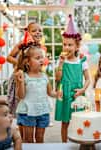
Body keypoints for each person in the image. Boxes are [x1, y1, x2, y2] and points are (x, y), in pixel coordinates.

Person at [15, 44, 62, 143]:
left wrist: (57, 94)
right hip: (28, 112)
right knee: (28, 139)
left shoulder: (44, 76)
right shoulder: (24, 76)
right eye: (37, 58)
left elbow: (50, 92)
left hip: (42, 111)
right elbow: (21, 96)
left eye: (42, 58)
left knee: (40, 138)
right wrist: (20, 82)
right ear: (27, 62)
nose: (41, 60)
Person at [55, 14, 90, 143]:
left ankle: (79, 141)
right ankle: (64, 143)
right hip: (64, 92)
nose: (66, 47)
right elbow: (58, 79)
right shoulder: (62, 61)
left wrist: (82, 90)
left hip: (77, 93)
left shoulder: (81, 61)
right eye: (64, 44)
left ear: (76, 46)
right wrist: (60, 64)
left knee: (78, 119)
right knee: (65, 122)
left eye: (70, 45)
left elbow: (88, 79)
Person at [6, 22, 43, 116]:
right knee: (19, 101)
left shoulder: (38, 47)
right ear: (28, 32)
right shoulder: (22, 44)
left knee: (30, 100)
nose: (38, 32)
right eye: (34, 31)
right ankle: (19, 122)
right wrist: (19, 63)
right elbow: (9, 57)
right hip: (20, 77)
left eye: (40, 30)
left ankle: (32, 117)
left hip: (32, 78)